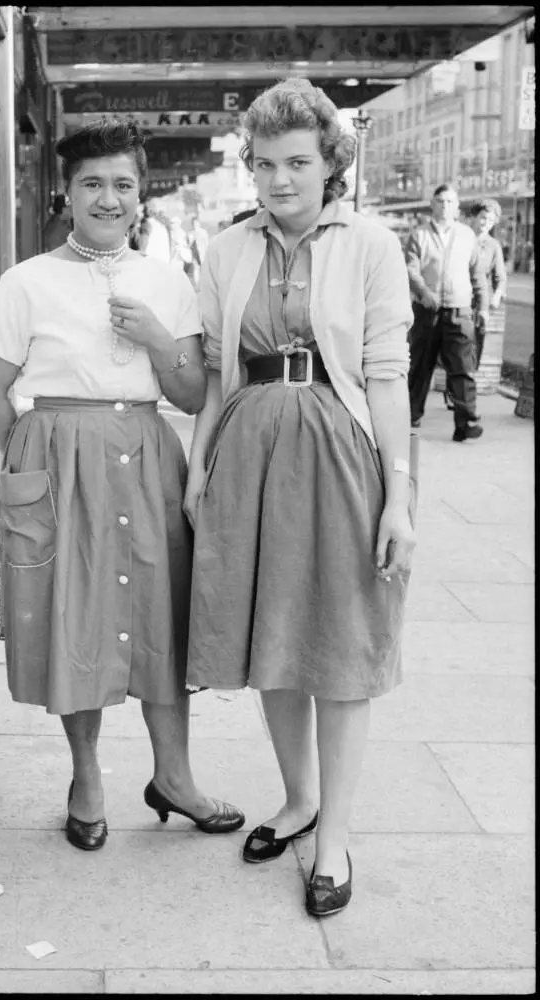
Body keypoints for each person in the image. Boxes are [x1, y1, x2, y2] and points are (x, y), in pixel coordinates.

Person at [0, 120, 244, 853]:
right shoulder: (25, 282)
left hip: (150, 460)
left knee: (163, 618)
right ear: (67, 192)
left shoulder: (166, 282)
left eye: (123, 183)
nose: (108, 197)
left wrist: (158, 337)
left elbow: (190, 396)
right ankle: (86, 778)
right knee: (75, 621)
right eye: (92, 182)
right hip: (61, 462)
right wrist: (37, 462)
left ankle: (175, 778)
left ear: (141, 194)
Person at [183, 78, 416, 919]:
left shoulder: (370, 244)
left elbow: (388, 382)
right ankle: (297, 800)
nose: (278, 180)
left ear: (330, 164)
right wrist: (198, 465)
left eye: (297, 162)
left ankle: (335, 839)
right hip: (249, 449)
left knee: (342, 646)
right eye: (265, 163)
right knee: (271, 638)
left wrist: (399, 499)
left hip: (340, 452)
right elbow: (215, 375)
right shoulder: (225, 248)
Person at [405, 184, 489, 441]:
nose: (445, 206)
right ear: (432, 204)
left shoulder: (466, 235)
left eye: (451, 202)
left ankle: (466, 423)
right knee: (420, 366)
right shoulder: (418, 235)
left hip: (459, 312)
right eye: (441, 201)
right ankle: (410, 416)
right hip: (427, 311)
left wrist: (483, 307)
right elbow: (410, 269)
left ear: (457, 206)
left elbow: (478, 276)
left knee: (462, 368)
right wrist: (423, 291)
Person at [469, 198, 507, 371]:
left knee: (475, 342)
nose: (486, 223)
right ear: (475, 217)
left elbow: (500, 277)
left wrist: (497, 296)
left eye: (491, 220)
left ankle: (468, 380)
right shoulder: (464, 238)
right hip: (458, 297)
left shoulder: (493, 246)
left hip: (479, 302)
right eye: (483, 217)